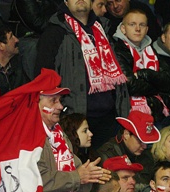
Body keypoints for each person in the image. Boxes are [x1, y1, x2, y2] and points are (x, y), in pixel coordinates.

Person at [35, 0, 130, 149]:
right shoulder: (54, 32)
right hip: (74, 119)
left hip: (109, 118)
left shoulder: (104, 28)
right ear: (65, 1)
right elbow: (43, 79)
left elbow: (121, 71)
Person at [36, 84, 110, 192]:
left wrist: (90, 176)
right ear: (36, 103)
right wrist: (77, 177)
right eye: (53, 101)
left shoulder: (60, 136)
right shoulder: (29, 137)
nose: (60, 106)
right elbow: (38, 179)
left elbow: (80, 181)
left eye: (60, 101)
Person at [112, 9, 170, 125]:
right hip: (127, 113)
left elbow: (168, 80)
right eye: (132, 24)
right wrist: (157, 86)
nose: (138, 29)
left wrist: (143, 74)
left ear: (147, 29)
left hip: (155, 110)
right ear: (123, 29)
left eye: (142, 25)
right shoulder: (117, 49)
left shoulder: (151, 49)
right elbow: (130, 86)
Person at [97, 109, 159, 185]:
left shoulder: (146, 155)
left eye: (146, 142)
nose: (145, 146)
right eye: (140, 141)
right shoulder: (107, 154)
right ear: (126, 134)